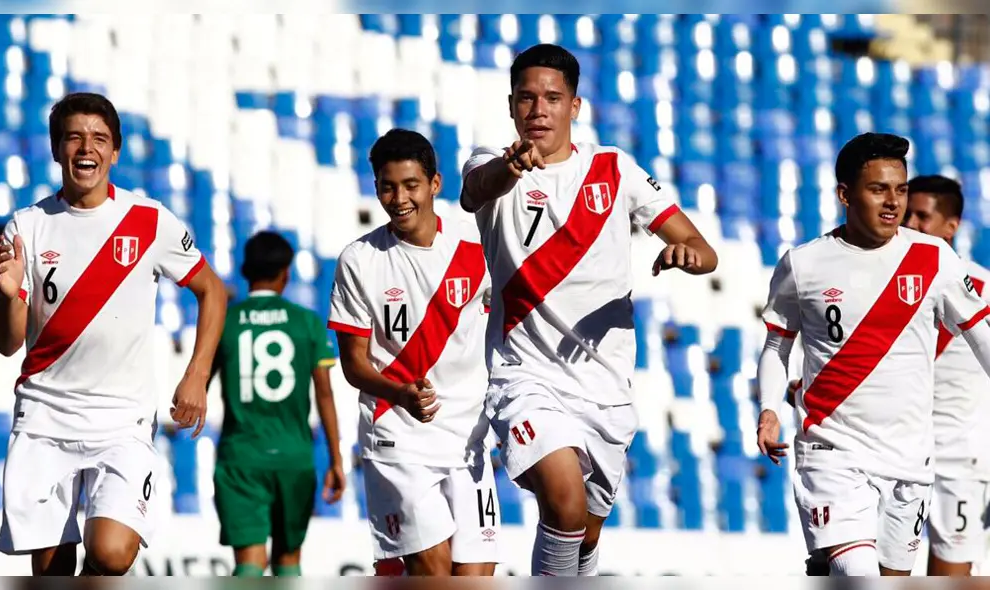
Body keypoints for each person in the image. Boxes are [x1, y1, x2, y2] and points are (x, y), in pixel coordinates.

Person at [460, 43, 718, 576]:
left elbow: (702, 248)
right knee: (564, 501)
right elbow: (473, 192)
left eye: (552, 98)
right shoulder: (489, 163)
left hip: (605, 386)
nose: (539, 109)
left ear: (574, 106)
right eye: (527, 98)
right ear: (511, 105)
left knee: (582, 534)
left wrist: (687, 254)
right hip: (525, 376)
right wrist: (509, 170)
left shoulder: (614, 170)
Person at [0, 92, 227, 575]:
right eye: (74, 137)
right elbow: (7, 342)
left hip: (123, 420)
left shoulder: (149, 220)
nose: (86, 148)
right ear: (56, 149)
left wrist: (197, 375)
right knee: (52, 571)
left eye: (98, 138)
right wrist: (9, 294)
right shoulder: (28, 226)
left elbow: (213, 290)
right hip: (45, 418)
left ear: (115, 151)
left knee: (111, 553)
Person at [756, 132, 990, 576]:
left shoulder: (933, 259)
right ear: (845, 194)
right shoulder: (804, 264)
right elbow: (776, 344)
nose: (893, 202)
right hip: (833, 452)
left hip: (910, 461)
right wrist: (768, 409)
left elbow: (983, 338)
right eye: (878, 189)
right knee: (859, 576)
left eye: (900, 190)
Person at [328, 128, 500, 576]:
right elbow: (353, 364)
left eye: (410, 185)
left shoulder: (476, 245)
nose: (399, 197)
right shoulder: (359, 259)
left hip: (469, 438)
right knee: (434, 574)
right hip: (397, 434)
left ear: (435, 184)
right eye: (388, 186)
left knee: (476, 578)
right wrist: (399, 392)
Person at [210, 230, 346, 577]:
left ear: (245, 270)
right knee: (288, 561)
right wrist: (335, 458)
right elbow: (325, 395)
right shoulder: (307, 322)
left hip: (241, 456)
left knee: (250, 563)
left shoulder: (224, 321)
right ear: (286, 272)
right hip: (294, 457)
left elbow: (199, 381)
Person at [902, 175, 990, 576]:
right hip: (896, 454)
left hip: (959, 460)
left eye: (922, 216)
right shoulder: (884, 282)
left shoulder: (980, 286)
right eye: (906, 215)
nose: (910, 225)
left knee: (949, 576)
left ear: (951, 227)